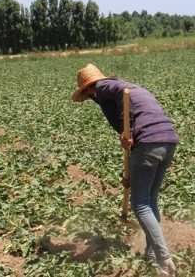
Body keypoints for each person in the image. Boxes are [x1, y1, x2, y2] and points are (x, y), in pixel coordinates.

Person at [72, 64, 179, 277]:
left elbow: (124, 96)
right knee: (149, 200)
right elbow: (131, 112)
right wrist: (127, 138)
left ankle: (164, 259)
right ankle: (151, 254)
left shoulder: (103, 88)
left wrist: (128, 128)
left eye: (86, 94)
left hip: (148, 142)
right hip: (168, 140)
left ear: (87, 89)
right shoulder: (129, 86)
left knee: (139, 204)